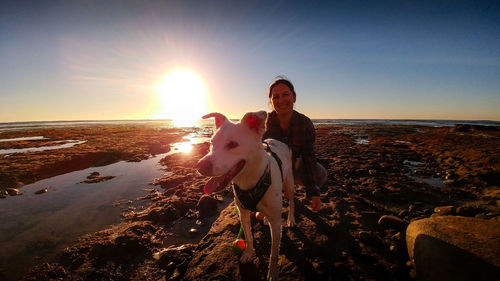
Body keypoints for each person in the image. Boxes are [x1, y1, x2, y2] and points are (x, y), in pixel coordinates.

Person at [263, 77, 327, 212]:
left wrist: (314, 193)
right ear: (271, 102)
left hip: (293, 164)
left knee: (320, 173)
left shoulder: (304, 124)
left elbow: (308, 157)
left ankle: (288, 187)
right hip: (268, 169)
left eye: (285, 95)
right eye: (276, 97)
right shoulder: (263, 124)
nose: (281, 101)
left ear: (294, 97)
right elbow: (255, 156)